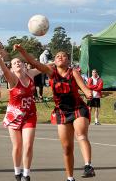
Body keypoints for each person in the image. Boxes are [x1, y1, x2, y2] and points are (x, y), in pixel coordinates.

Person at [14, 44, 95, 181]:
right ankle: (70, 178)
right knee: (67, 148)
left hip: (77, 108)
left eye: (63, 56)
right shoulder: (51, 72)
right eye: (57, 56)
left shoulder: (73, 72)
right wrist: (22, 51)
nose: (60, 57)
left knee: (81, 135)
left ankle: (88, 166)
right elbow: (34, 63)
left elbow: (84, 87)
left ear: (68, 61)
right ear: (55, 61)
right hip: (62, 111)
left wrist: (88, 93)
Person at [0, 42, 41, 181]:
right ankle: (17, 171)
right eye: (14, 63)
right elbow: (3, 68)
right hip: (14, 115)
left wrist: (54, 63)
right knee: (18, 146)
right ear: (12, 68)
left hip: (30, 115)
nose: (17, 63)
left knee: (28, 145)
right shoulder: (12, 79)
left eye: (19, 61)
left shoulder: (30, 74)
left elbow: (41, 67)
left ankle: (26, 174)